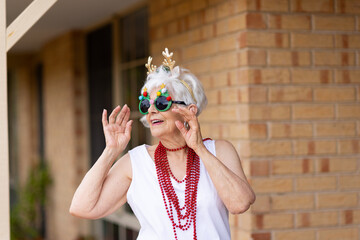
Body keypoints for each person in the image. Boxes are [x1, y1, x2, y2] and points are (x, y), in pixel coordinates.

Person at [70, 48, 256, 240]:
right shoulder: (135, 163)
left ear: (188, 110)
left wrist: (199, 149)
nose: (150, 110)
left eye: (160, 102)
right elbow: (82, 208)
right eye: (145, 104)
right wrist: (111, 151)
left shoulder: (218, 151)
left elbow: (240, 204)